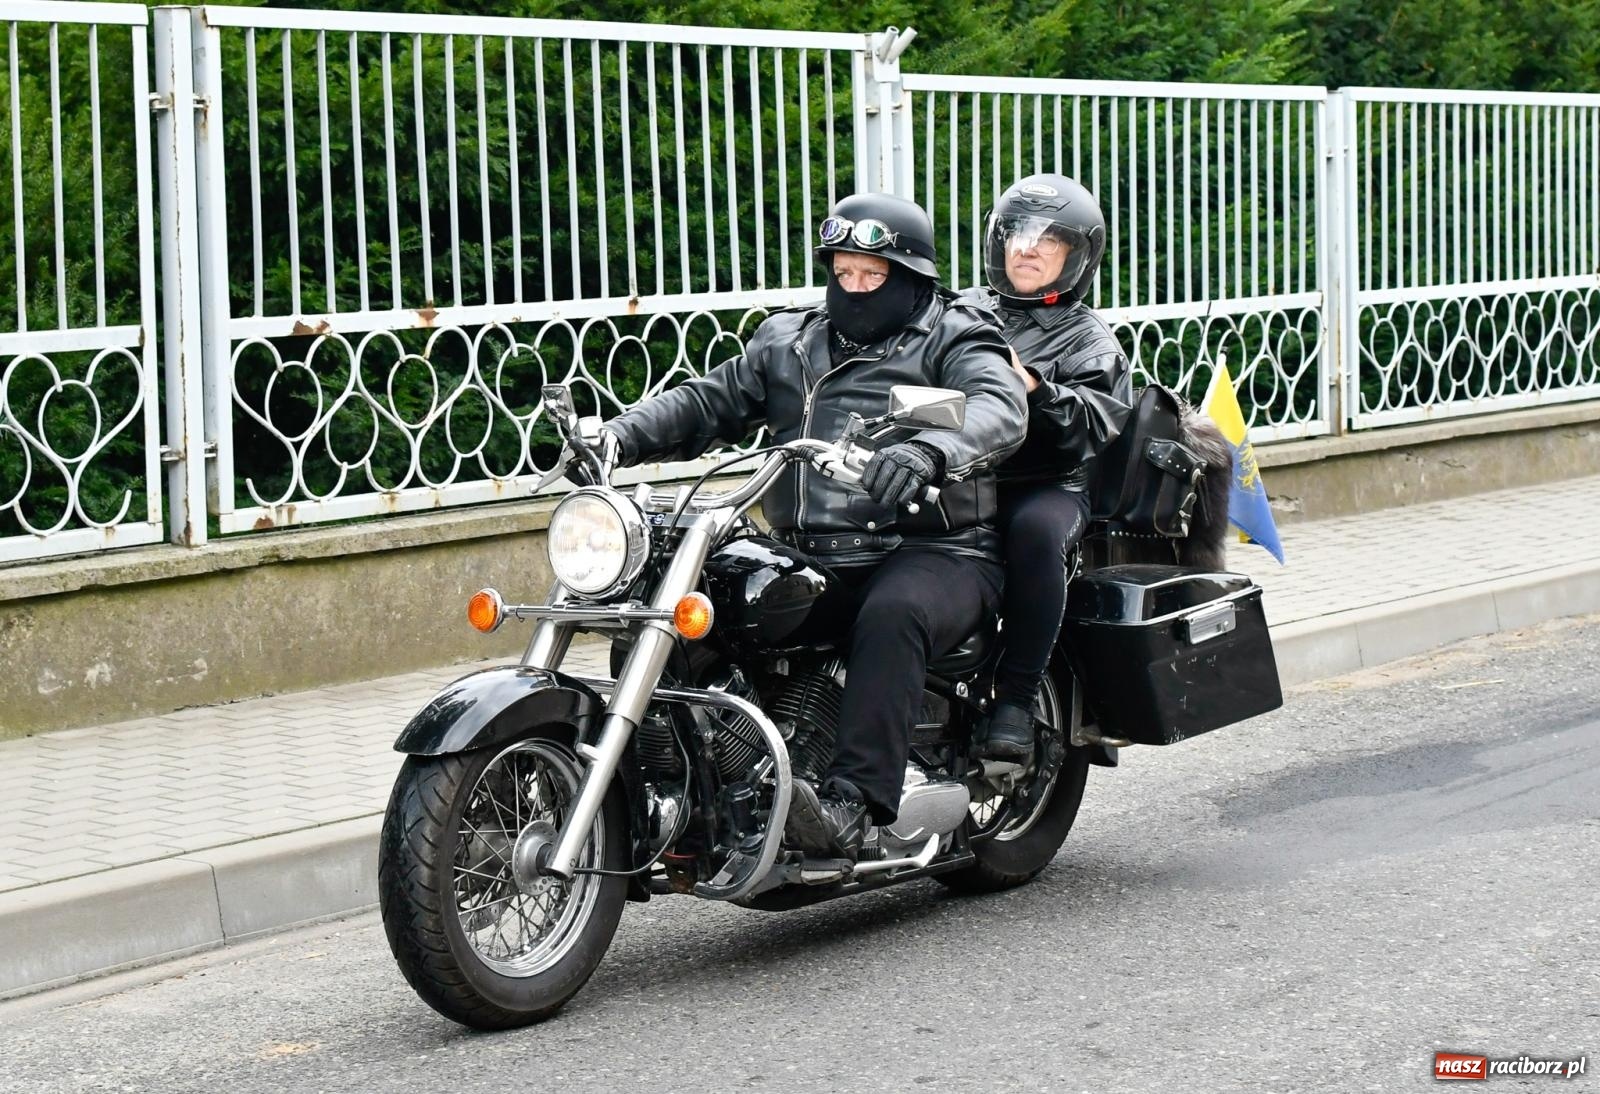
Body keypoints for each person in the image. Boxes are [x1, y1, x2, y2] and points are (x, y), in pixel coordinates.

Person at [598, 192, 1027, 858]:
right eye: (843, 271)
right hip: (810, 553)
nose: (854, 288)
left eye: (872, 275)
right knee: (677, 607)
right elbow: (707, 402)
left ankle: (852, 803)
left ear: (911, 278)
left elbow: (998, 407)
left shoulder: (955, 333)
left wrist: (926, 451)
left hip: (935, 548)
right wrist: (617, 437)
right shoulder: (788, 340)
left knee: (894, 613)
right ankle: (672, 785)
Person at [961, 174, 1133, 767]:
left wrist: (1034, 387)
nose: (1025, 248)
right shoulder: (961, 310)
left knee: (1034, 532)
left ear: (1075, 256)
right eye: (1015, 234)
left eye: (1046, 239)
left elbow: (1091, 423)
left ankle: (1016, 698)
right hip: (958, 472)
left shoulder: (1090, 339)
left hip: (1044, 483)